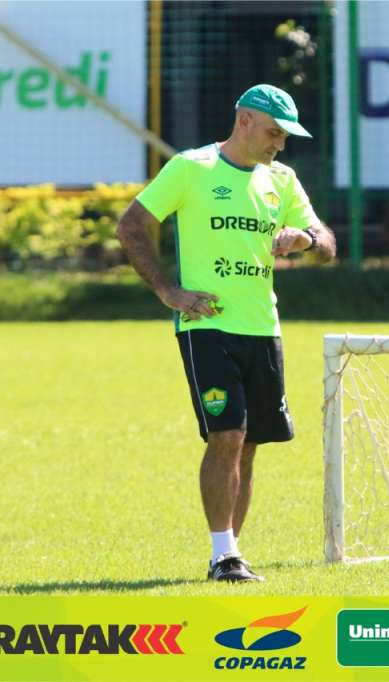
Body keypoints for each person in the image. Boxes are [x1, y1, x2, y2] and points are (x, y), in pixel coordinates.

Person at [116, 84, 336, 582]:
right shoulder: (192, 168)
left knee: (250, 441)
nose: (278, 144)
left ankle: (231, 554)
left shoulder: (283, 179)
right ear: (244, 120)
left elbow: (327, 243)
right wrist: (167, 291)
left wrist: (306, 239)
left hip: (263, 327)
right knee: (227, 433)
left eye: (285, 136)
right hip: (206, 324)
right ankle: (223, 556)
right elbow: (131, 225)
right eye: (273, 132)